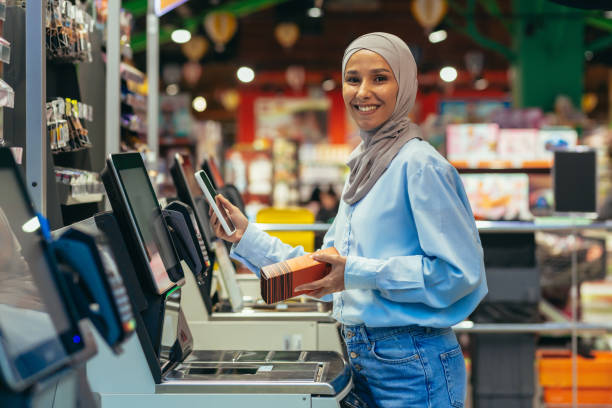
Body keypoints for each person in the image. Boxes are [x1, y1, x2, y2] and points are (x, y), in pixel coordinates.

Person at [209, 32, 487, 408]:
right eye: (353, 79)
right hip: (366, 357)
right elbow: (325, 266)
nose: (363, 92)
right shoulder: (364, 166)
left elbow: (458, 272)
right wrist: (244, 236)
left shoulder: (419, 165)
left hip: (411, 362)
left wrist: (358, 273)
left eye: (380, 78)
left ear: (404, 85)